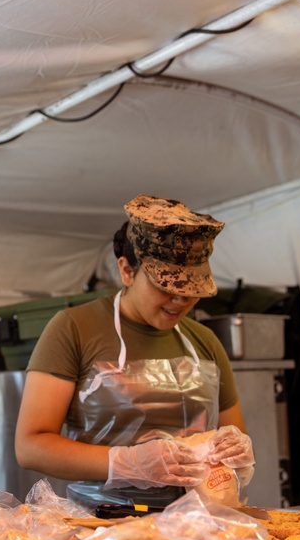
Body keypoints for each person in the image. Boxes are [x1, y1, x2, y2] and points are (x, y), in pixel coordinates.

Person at [14, 195, 253, 510]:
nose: (179, 301)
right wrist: (125, 462)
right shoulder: (74, 329)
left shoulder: (204, 341)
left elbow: (231, 434)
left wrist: (235, 450)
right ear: (127, 271)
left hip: (203, 522)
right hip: (103, 522)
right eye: (166, 287)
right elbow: (31, 446)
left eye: (190, 291)